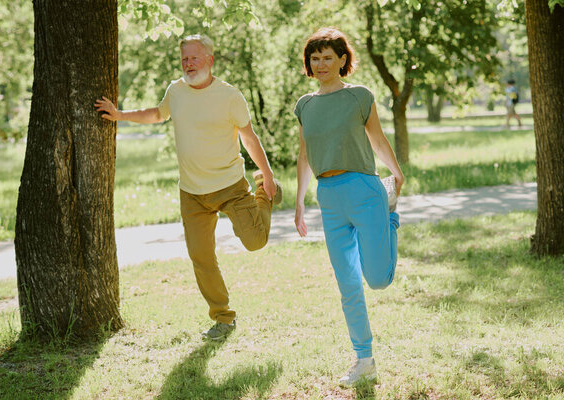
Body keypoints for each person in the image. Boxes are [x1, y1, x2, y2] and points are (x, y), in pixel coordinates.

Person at [95, 34, 282, 341]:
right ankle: (223, 317)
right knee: (201, 256)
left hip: (230, 185)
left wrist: (268, 174)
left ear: (210, 60)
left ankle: (263, 193)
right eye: (184, 59)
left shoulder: (230, 96)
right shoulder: (176, 91)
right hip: (192, 192)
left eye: (194, 58)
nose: (188, 64)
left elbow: (249, 137)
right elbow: (157, 113)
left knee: (255, 242)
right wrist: (120, 114)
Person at [293, 28, 404, 387]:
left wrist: (396, 173)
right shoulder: (305, 105)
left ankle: (391, 219)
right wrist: (298, 202)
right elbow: (305, 155)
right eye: (315, 58)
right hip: (329, 197)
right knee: (348, 284)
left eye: (328, 57)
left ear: (343, 61)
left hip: (364, 190)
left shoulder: (359, 96)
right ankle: (364, 359)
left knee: (378, 280)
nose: (321, 63)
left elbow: (377, 139)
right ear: (309, 64)